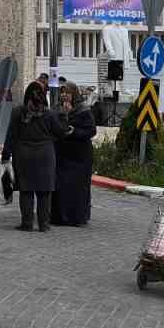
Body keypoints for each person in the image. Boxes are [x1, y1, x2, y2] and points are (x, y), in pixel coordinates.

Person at [6, 91, 70, 232]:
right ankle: (44, 224)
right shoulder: (50, 114)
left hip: (23, 154)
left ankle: (27, 223)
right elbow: (62, 132)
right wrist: (65, 115)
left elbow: (11, 134)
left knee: (26, 190)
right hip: (45, 155)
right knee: (45, 191)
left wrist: (5, 156)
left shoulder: (18, 112)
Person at [50, 82, 95, 227]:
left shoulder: (83, 110)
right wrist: (63, 115)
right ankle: (60, 217)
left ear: (74, 94)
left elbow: (91, 131)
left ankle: (77, 217)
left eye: (67, 93)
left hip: (79, 156)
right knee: (60, 185)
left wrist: (74, 131)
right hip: (62, 154)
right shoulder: (57, 109)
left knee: (78, 188)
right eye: (62, 92)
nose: (64, 95)